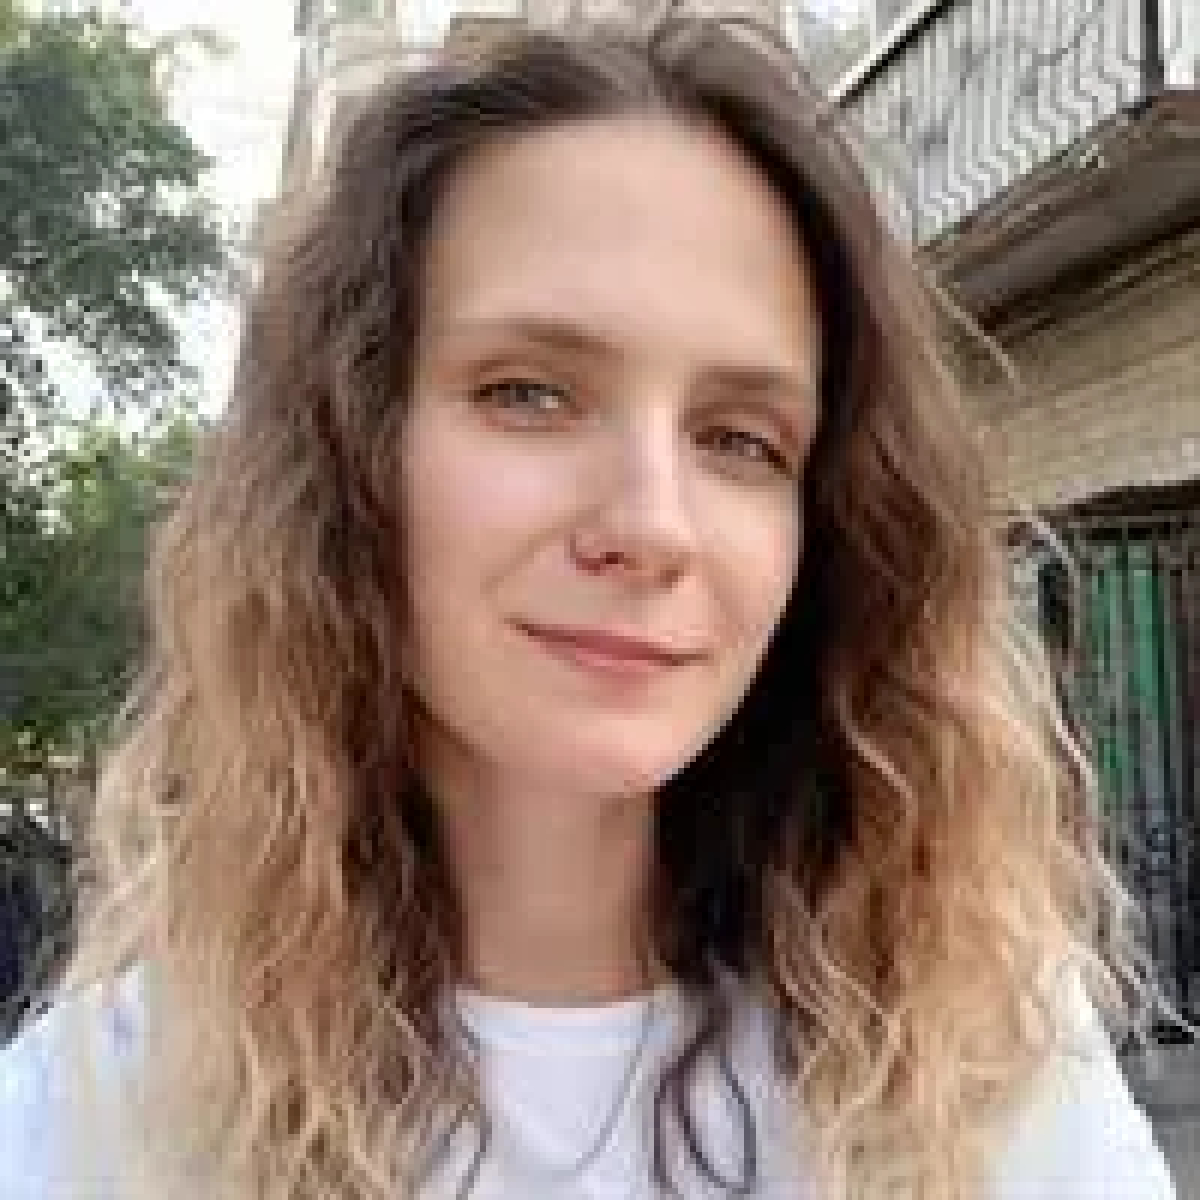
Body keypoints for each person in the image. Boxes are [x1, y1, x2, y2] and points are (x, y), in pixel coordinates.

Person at [0, 13, 1179, 1200]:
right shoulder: (103, 1113)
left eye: (740, 438)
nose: (654, 525)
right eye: (529, 393)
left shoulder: (981, 1066)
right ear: (347, 458)